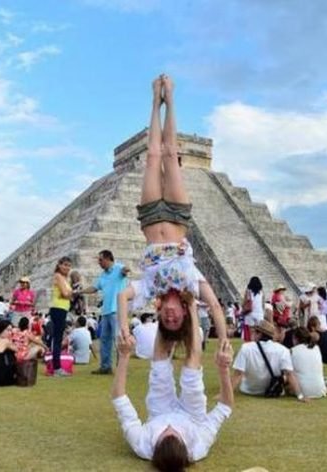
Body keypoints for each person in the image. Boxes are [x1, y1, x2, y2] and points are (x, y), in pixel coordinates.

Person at [116, 75, 227, 354]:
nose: (170, 316)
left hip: (151, 219)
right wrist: (224, 339)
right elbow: (214, 305)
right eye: (175, 319)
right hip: (178, 218)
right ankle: (172, 98)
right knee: (170, 155)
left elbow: (121, 296)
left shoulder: (149, 289)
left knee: (154, 154)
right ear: (184, 313)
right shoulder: (192, 282)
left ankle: (156, 100)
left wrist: (123, 328)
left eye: (167, 320)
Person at [112, 291, 233, 470]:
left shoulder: (142, 444)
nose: (170, 428)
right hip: (192, 417)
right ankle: (190, 306)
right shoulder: (198, 446)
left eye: (164, 435)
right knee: (192, 367)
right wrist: (224, 370)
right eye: (176, 435)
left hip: (159, 412)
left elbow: (119, 398)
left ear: (155, 446)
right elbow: (225, 406)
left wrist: (124, 356)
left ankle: (165, 306)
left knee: (159, 365)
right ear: (186, 446)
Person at [79, 250, 130, 375]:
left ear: (108, 259)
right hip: (106, 311)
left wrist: (126, 270)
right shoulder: (102, 275)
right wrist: (80, 292)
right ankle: (105, 366)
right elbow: (94, 288)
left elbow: (125, 270)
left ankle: (121, 367)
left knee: (118, 340)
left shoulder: (118, 268)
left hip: (117, 310)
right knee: (105, 340)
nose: (99, 262)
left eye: (101, 260)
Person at [231, 320, 305, 401]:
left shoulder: (246, 348)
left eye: (254, 332)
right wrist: (300, 395)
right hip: (275, 389)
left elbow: (238, 374)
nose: (252, 334)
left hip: (249, 390)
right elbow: (290, 374)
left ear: (259, 334)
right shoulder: (283, 350)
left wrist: (226, 393)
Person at [49, 257, 73, 377]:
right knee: (57, 339)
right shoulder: (58, 276)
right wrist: (70, 294)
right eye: (65, 265)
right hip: (58, 308)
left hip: (62, 309)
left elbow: (67, 295)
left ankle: (57, 367)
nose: (67, 268)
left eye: (69, 265)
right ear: (59, 265)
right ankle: (57, 368)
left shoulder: (65, 278)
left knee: (58, 338)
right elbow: (65, 294)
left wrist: (69, 295)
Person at [289, 327, 326, 399]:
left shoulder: (293, 351)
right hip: (320, 390)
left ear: (295, 339)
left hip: (302, 390)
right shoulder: (316, 348)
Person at [241, 276, 264, 342]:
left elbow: (246, 301)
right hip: (259, 313)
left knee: (251, 331)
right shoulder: (261, 291)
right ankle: (258, 344)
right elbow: (262, 303)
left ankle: (252, 344)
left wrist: (243, 307)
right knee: (259, 332)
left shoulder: (248, 291)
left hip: (250, 313)